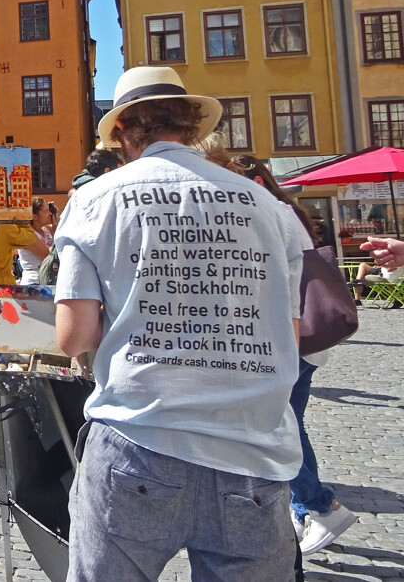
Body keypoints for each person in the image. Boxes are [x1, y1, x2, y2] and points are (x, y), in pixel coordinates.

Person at [55, 65, 303, 582]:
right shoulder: (270, 208)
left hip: (139, 437)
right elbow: (290, 336)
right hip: (252, 450)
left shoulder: (96, 198)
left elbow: (74, 335)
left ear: (122, 131)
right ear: (192, 125)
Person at [228, 153, 357, 556]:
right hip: (301, 339)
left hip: (291, 336)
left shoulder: (273, 213)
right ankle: (307, 510)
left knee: (274, 427)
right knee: (288, 424)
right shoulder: (286, 210)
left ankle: (321, 506)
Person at [16, 198, 56, 286]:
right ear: (34, 216)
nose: (50, 214)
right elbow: (48, 255)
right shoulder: (27, 234)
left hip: (49, 278)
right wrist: (55, 228)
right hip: (34, 282)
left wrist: (55, 222)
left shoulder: (47, 230)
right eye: (46, 211)